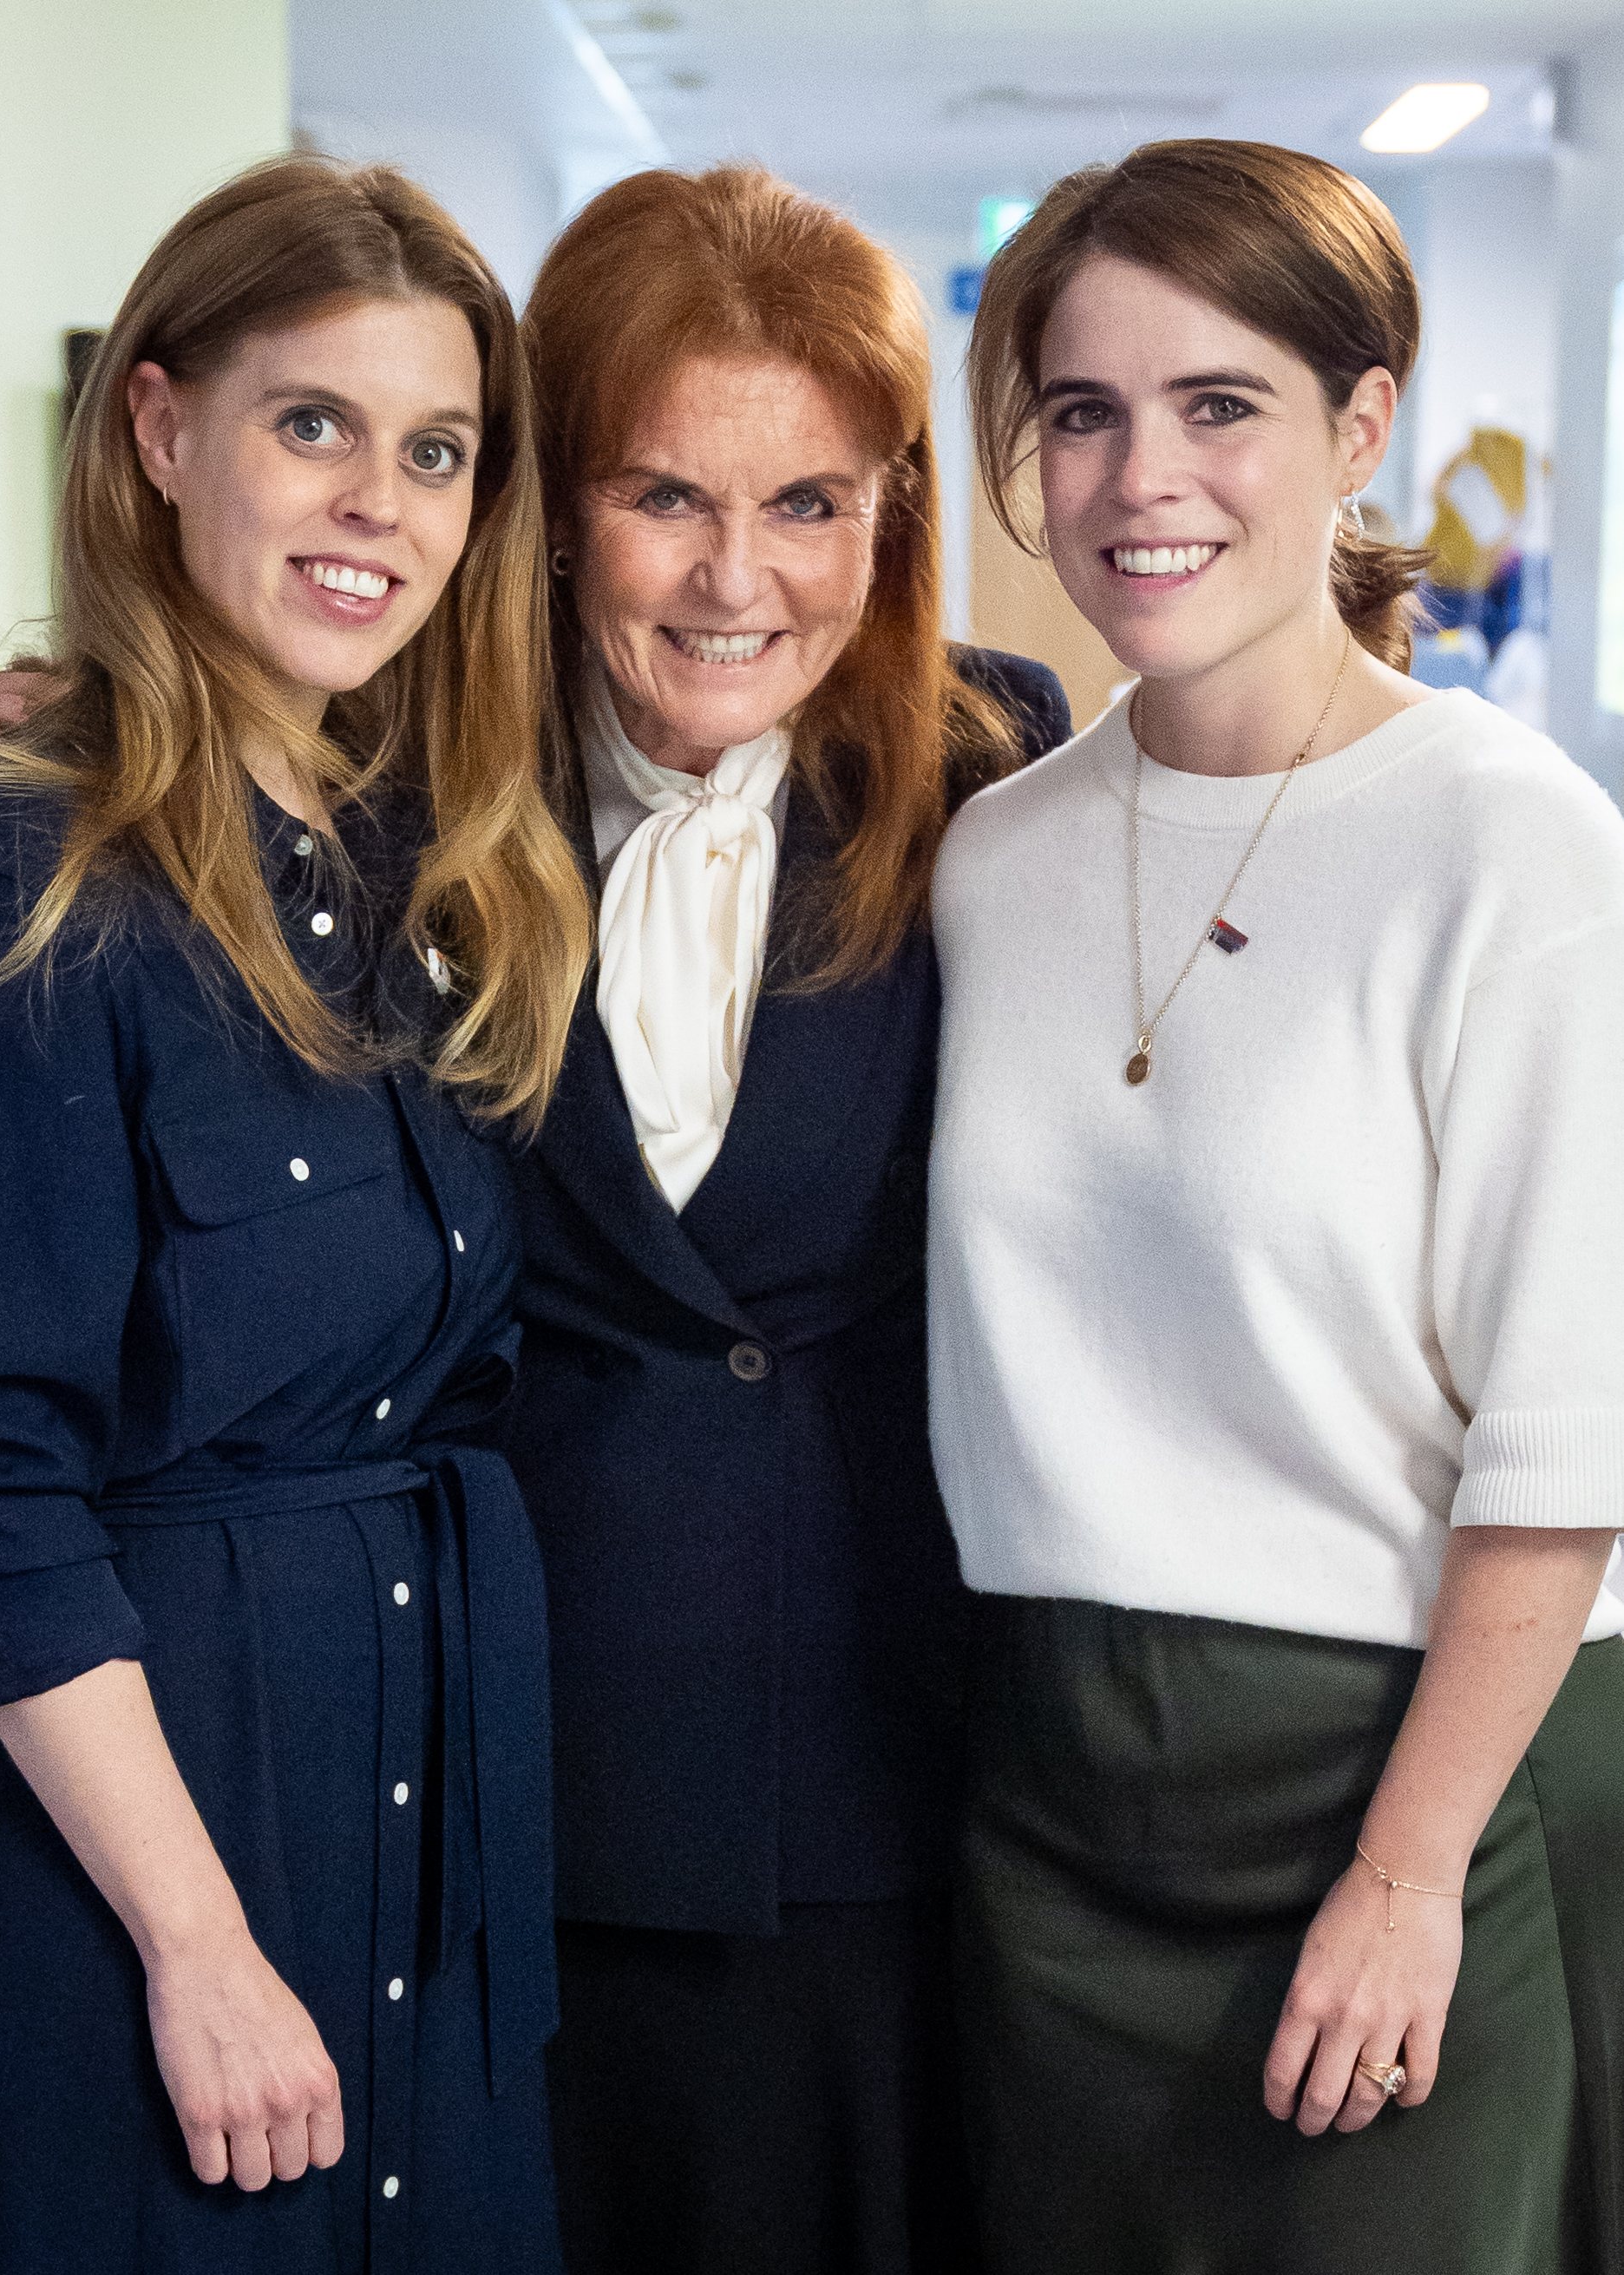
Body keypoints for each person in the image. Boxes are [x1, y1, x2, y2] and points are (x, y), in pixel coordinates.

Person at [0, 154, 591, 2274]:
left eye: (433, 452)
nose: (376, 506)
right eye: (309, 424)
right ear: (158, 430)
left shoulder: (421, 866)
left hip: (385, 1823)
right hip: (103, 1871)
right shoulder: (2, 879)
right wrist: (198, 1941)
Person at [930, 138, 1624, 2273]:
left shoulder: (1508, 845)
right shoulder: (990, 857)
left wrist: (1404, 1877)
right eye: (1080, 411)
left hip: (1408, 1784)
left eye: (1215, 402)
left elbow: (1565, 1432)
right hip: (1048, 1812)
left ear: (1356, 422)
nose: (1138, 477)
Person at [506, 167, 1068, 2275]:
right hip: (487, 1768)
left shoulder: (994, 760)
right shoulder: (392, 784)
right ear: (552, 503)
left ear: (890, 512)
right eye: (662, 494)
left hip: (857, 1766)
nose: (736, 578)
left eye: (809, 503)